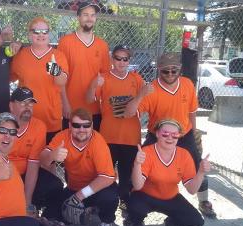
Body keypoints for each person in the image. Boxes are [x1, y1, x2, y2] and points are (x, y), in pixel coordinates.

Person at [0, 87, 73, 226]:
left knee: (54, 185)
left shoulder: (39, 127)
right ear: (11, 106)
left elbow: (33, 165)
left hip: (22, 176)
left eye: (31, 104)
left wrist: (27, 201)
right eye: (23, 103)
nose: (28, 107)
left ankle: (44, 220)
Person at [126, 52, 217, 218]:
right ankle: (133, 203)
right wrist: (141, 94)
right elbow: (129, 112)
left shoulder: (187, 84)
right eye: (165, 71)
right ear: (158, 69)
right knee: (140, 164)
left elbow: (191, 112)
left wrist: (194, 133)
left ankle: (203, 201)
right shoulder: (151, 89)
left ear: (180, 69)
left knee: (198, 165)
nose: (170, 74)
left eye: (174, 70)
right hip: (158, 135)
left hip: (184, 134)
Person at [86, 44, 153, 213]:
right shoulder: (104, 77)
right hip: (108, 136)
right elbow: (88, 100)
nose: (122, 62)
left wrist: (142, 93)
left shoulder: (136, 79)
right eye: (118, 58)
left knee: (127, 175)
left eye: (126, 59)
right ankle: (102, 204)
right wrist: (94, 85)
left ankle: (125, 203)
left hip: (130, 137)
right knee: (105, 173)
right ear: (112, 59)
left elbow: (143, 102)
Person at [40, 108, 118, 226]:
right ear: (70, 125)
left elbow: (107, 177)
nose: (82, 129)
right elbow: (42, 160)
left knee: (109, 197)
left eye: (86, 125)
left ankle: (106, 222)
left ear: (92, 126)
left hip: (97, 189)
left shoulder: (98, 141)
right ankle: (88, 209)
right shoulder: (62, 137)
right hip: (74, 187)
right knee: (50, 214)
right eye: (76, 125)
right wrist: (52, 155)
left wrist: (79, 196)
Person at [128, 119, 209, 226]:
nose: (169, 138)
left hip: (171, 197)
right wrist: (137, 163)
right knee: (134, 207)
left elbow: (192, 190)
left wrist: (201, 172)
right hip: (146, 196)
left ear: (179, 136)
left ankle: (172, 222)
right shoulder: (147, 152)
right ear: (157, 134)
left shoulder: (184, 155)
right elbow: (137, 186)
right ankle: (138, 223)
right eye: (165, 134)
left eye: (174, 135)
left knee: (196, 222)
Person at [10, 17, 69, 143]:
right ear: (29, 34)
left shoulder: (58, 55)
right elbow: (10, 78)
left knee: (48, 159)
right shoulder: (21, 55)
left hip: (50, 119)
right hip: (25, 117)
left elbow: (62, 82)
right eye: (36, 31)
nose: (41, 35)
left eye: (45, 31)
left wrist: (56, 71)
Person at [57, 1, 111, 131]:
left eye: (92, 15)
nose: (89, 18)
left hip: (94, 109)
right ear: (78, 17)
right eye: (85, 14)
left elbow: (105, 76)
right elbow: (60, 77)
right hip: (71, 108)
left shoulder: (102, 45)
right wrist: (65, 103)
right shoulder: (66, 42)